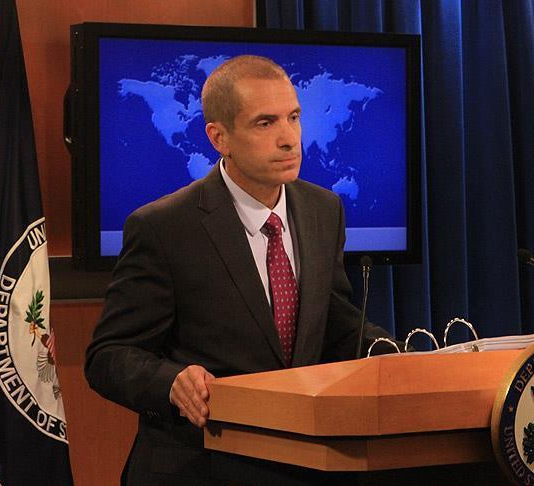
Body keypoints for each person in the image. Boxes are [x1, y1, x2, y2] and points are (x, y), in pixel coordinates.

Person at [85, 55, 397, 485]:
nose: (289, 139)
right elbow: (108, 356)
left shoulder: (323, 210)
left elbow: (334, 324)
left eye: (293, 117)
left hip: (300, 463)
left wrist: (394, 357)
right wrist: (171, 382)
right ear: (219, 138)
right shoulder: (164, 227)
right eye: (265, 123)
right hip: (199, 467)